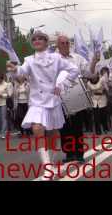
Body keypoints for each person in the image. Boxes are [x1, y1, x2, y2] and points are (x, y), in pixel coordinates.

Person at [7, 31, 79, 180]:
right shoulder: (29, 60)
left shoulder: (56, 58)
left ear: (46, 43)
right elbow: (21, 72)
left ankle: (51, 165)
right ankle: (47, 168)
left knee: (53, 134)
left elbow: (74, 70)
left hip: (52, 99)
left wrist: (63, 85)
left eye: (41, 38)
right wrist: (14, 70)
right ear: (32, 43)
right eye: (34, 39)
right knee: (37, 128)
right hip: (37, 102)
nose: (37, 40)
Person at [55, 35, 98, 164]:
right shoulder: (53, 60)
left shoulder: (78, 58)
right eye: (62, 43)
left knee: (78, 127)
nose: (65, 45)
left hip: (77, 97)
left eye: (67, 42)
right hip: (60, 99)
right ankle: (69, 153)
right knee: (64, 128)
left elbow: (89, 74)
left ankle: (79, 154)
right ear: (58, 45)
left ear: (70, 44)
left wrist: (94, 63)